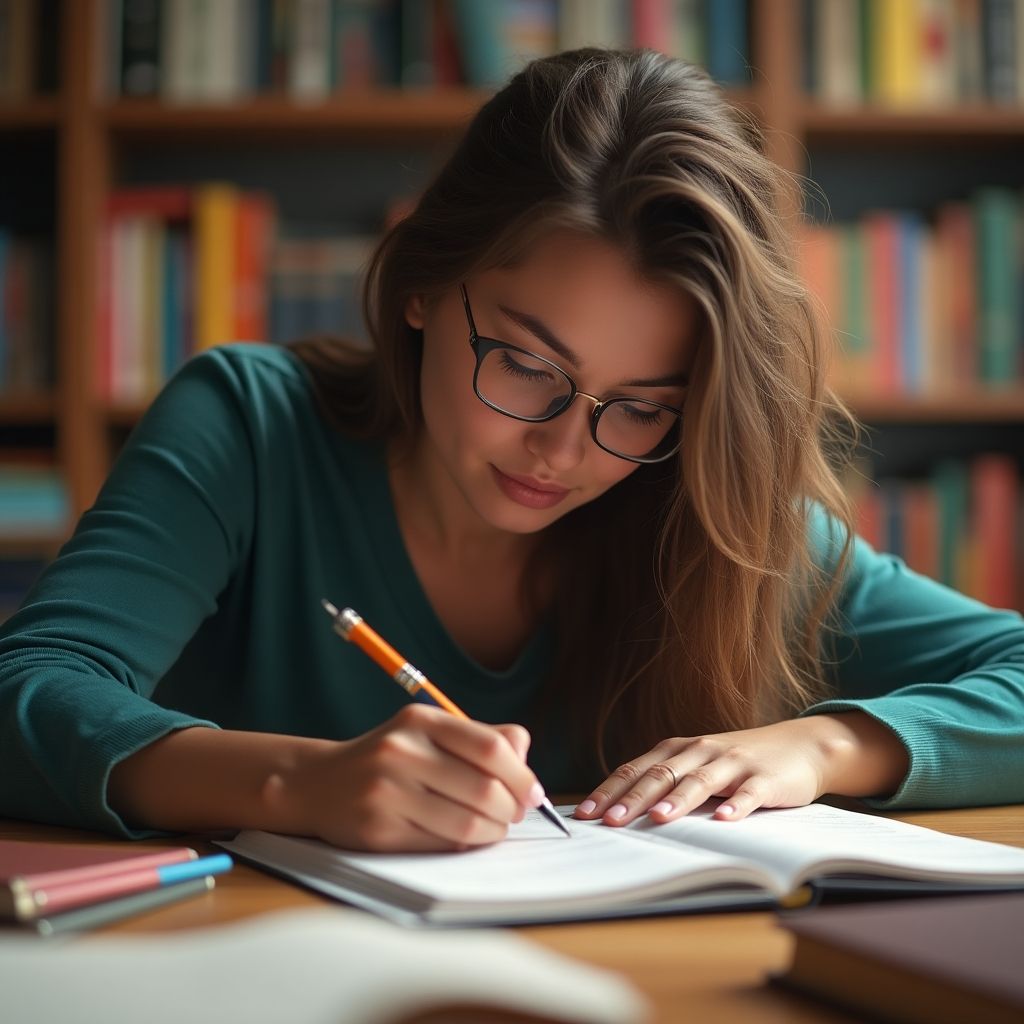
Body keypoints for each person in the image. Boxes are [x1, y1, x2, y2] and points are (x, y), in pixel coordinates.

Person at [1, 50, 1022, 853]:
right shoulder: (251, 426)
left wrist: (823, 744)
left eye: (638, 406)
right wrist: (296, 784)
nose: (564, 448)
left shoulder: (706, 510)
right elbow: (30, 687)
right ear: (419, 286)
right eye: (529, 366)